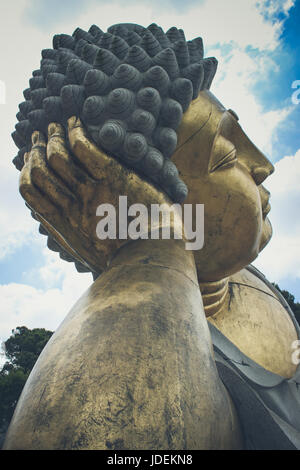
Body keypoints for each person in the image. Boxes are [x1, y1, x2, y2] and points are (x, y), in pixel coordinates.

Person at [4, 22, 300, 450]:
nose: (263, 165)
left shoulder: (254, 287)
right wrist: (155, 243)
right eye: (227, 155)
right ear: (132, 193)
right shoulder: (126, 344)